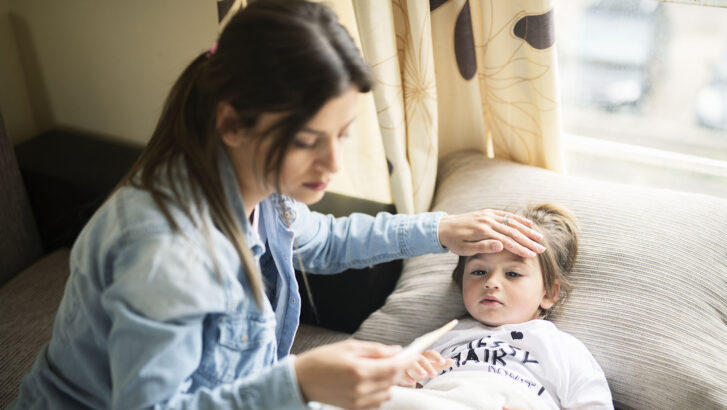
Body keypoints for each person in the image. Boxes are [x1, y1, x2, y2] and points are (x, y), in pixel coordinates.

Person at [12, 1, 545, 409]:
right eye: (308, 140)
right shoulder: (167, 253)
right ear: (232, 124)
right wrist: (298, 381)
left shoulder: (260, 191)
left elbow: (328, 242)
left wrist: (442, 229)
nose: (332, 164)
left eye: (343, 135)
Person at [398, 203, 613, 409]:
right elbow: (389, 389)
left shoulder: (564, 350)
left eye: (513, 274)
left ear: (548, 293)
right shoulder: (440, 338)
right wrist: (408, 379)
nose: (491, 282)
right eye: (479, 272)